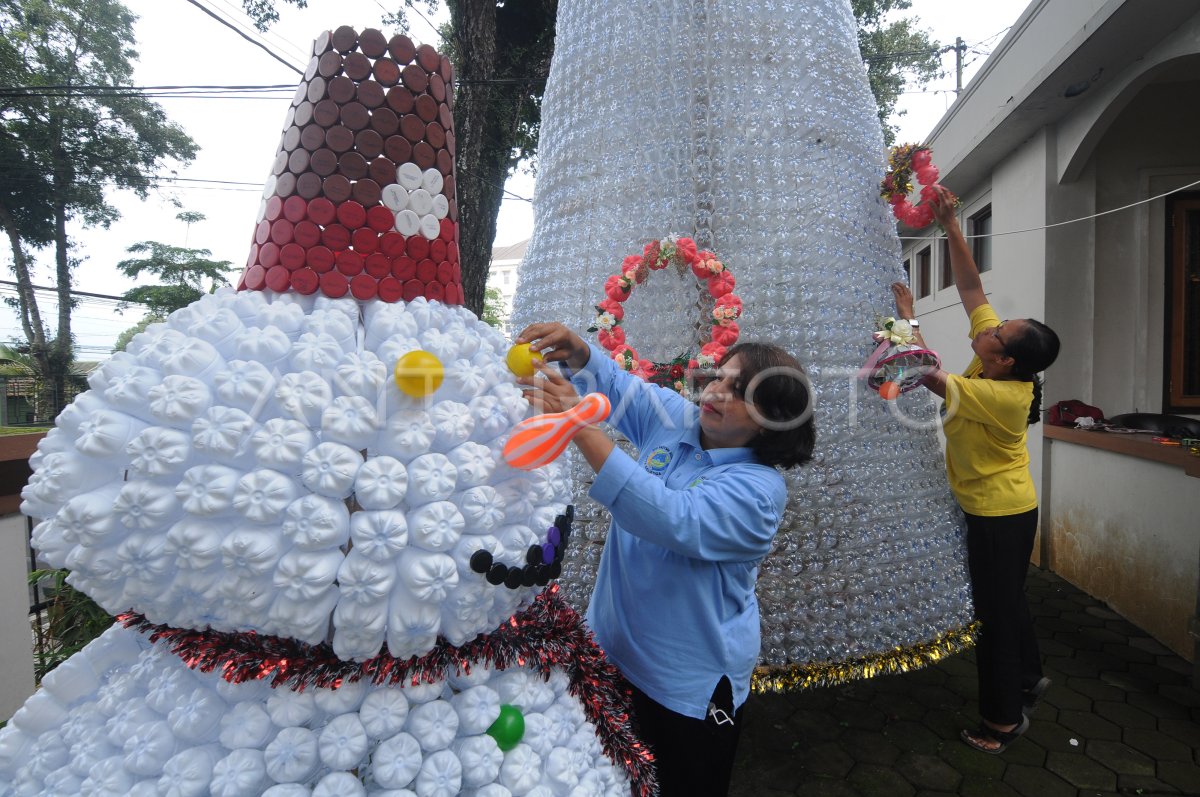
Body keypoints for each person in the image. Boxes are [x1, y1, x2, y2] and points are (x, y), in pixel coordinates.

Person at [514, 322, 815, 796]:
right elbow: (619, 388)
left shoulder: (759, 492)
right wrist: (579, 352)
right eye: (720, 377)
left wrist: (578, 424)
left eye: (740, 391)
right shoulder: (678, 420)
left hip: (682, 690)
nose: (717, 392)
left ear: (770, 420)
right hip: (610, 653)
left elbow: (670, 518)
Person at [891, 184, 1060, 754]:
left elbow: (922, 372)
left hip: (998, 514)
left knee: (992, 615)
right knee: (1008, 596)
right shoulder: (997, 363)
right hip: (1003, 507)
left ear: (1006, 359)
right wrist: (951, 223)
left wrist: (908, 317)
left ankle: (1001, 722)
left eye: (997, 333)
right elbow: (970, 286)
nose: (987, 328)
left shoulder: (1004, 396)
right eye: (996, 325)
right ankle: (1030, 677)